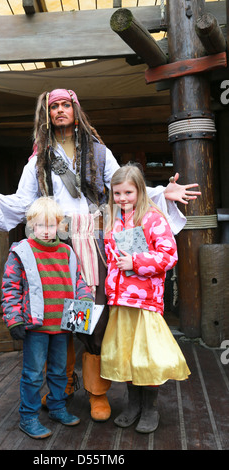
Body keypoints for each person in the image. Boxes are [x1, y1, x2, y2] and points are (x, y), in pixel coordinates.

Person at [0, 88, 200, 422]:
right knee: (62, 314)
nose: (60, 110)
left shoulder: (98, 151)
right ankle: (63, 386)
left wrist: (159, 192)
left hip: (93, 243)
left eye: (66, 105)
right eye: (54, 107)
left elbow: (122, 186)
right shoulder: (39, 158)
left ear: (76, 110)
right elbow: (23, 202)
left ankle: (97, 392)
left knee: (92, 318)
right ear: (47, 115)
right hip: (57, 247)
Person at [101, 164, 191, 433]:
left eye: (128, 192)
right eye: (117, 193)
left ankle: (150, 408)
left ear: (140, 190)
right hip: (120, 300)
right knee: (128, 355)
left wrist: (135, 261)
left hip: (145, 302)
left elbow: (168, 256)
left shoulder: (153, 218)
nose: (122, 198)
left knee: (147, 357)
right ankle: (133, 405)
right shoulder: (114, 220)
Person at [2, 196, 93, 439]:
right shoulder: (21, 251)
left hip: (63, 325)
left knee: (59, 371)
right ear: (30, 224)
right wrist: (14, 319)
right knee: (32, 374)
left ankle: (57, 407)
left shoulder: (67, 252)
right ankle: (28, 417)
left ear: (59, 226)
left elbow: (79, 282)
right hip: (36, 326)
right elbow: (10, 288)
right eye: (40, 225)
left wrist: (86, 304)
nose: (45, 230)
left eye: (51, 225)